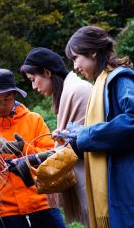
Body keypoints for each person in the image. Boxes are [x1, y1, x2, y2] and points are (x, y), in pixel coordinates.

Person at [52, 26, 134, 227]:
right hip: (120, 186)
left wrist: (85, 134)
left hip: (133, 187)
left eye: (76, 58)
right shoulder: (102, 84)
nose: (75, 66)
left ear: (92, 52)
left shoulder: (121, 80)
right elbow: (105, 135)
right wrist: (72, 136)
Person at [0, 69, 66, 228]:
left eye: (6, 98)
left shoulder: (34, 119)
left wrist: (24, 149)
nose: (1, 105)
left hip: (42, 201)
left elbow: (52, 155)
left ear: (15, 95)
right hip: (7, 208)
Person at [20, 47, 92, 226]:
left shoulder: (78, 91)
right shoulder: (67, 95)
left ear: (46, 72)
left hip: (97, 178)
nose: (34, 86)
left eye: (33, 79)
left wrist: (32, 158)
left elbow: (84, 142)